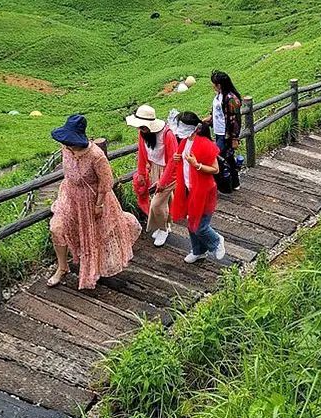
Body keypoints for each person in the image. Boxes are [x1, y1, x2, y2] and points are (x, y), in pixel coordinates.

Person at [48, 114, 141, 290]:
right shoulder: (65, 148)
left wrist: (99, 205)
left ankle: (94, 267)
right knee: (56, 227)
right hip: (69, 195)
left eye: (69, 140)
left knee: (95, 235)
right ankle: (62, 267)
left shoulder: (96, 156)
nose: (66, 143)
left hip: (92, 200)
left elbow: (106, 182)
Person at [171, 111, 226, 263]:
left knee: (200, 227)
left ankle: (216, 241)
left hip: (204, 190)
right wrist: (178, 158)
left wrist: (197, 165)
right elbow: (182, 161)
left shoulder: (206, 144)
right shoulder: (184, 142)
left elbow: (215, 169)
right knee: (191, 223)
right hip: (189, 188)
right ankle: (198, 251)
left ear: (194, 128)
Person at [126, 104, 178, 247]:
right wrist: (142, 172)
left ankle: (163, 228)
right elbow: (142, 152)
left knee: (156, 204)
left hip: (169, 173)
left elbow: (173, 161)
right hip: (156, 168)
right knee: (164, 201)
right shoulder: (144, 133)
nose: (140, 130)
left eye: (142, 127)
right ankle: (166, 223)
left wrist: (162, 181)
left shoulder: (167, 135)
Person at [204, 70, 243, 191]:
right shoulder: (219, 95)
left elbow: (235, 120)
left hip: (226, 135)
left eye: (214, 83)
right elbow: (218, 113)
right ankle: (233, 183)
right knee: (228, 158)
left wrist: (234, 138)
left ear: (219, 85)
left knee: (218, 157)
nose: (212, 86)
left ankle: (223, 184)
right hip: (219, 132)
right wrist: (209, 120)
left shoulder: (231, 98)